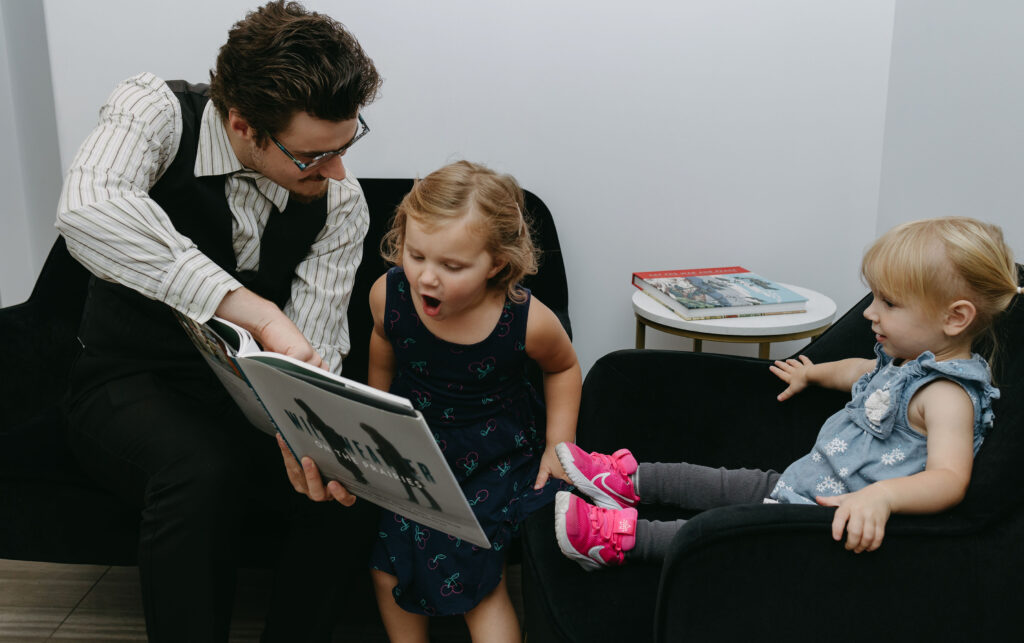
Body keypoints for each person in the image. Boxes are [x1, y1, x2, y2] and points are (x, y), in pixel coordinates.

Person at [55, 0, 382, 641]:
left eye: (347, 145)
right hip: (128, 380)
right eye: (315, 156)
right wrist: (251, 309)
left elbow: (310, 346)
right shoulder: (154, 109)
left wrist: (308, 437)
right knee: (201, 469)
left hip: (248, 401)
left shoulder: (340, 204)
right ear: (242, 123)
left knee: (346, 489)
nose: (338, 171)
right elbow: (87, 210)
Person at [554, 216, 1020, 570]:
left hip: (822, 521)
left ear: (955, 318)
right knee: (721, 482)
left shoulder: (947, 396)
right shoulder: (905, 361)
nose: (869, 314)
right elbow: (861, 371)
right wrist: (815, 374)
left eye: (889, 303)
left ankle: (618, 540)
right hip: (804, 482)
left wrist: (883, 499)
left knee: (718, 530)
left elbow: (949, 478)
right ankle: (627, 481)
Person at [366, 160, 580, 642]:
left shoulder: (526, 319)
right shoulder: (388, 294)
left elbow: (563, 368)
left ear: (496, 265)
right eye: (415, 255)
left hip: (494, 452)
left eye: (452, 266)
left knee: (479, 583)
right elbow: (382, 343)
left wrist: (559, 444)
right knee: (387, 571)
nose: (426, 278)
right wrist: (374, 410)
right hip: (415, 444)